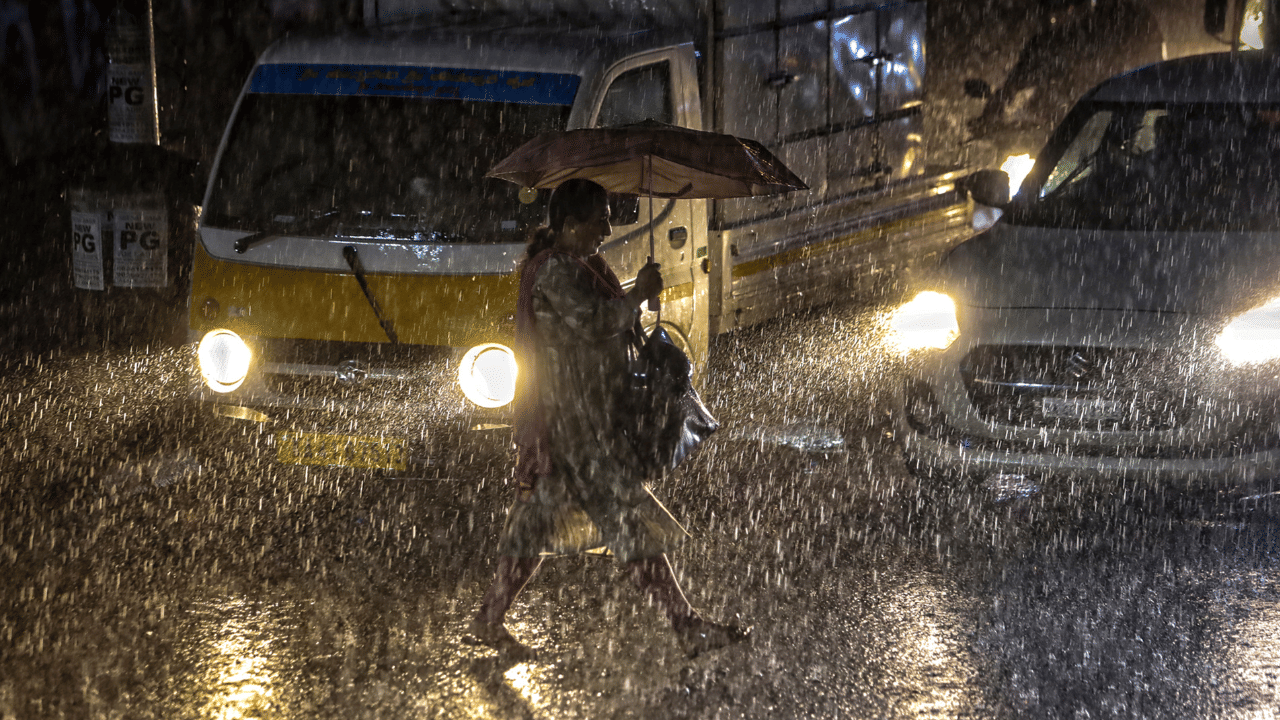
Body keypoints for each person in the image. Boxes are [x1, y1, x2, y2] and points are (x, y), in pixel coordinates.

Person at [466, 178, 750, 660]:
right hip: (572, 429)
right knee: (626, 520)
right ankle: (686, 628)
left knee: (535, 526)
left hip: (585, 423)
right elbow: (595, 322)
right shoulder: (554, 271)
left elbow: (609, 318)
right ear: (571, 224)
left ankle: (490, 618)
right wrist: (636, 293)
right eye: (600, 216)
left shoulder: (581, 265)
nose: (608, 226)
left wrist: (641, 295)